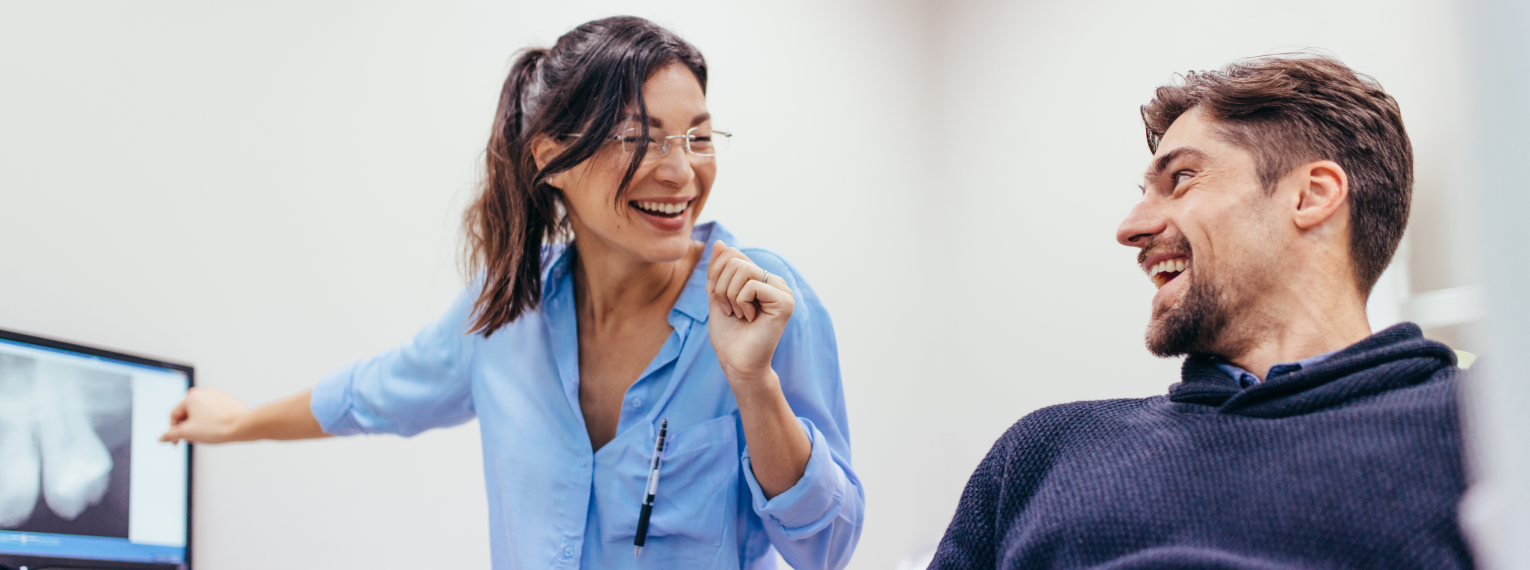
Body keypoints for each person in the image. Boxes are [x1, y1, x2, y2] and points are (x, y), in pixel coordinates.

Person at [158, 16, 863, 570]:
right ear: (550, 155)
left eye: (698, 138)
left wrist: (754, 384)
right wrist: (237, 423)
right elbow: (371, 393)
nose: (680, 172)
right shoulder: (506, 314)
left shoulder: (760, 304)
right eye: (640, 139)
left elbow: (824, 549)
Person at [930, 54, 1472, 569]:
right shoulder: (1043, 452)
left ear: (1310, 196)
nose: (1130, 228)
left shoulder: (1484, 424)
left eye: (1181, 179)